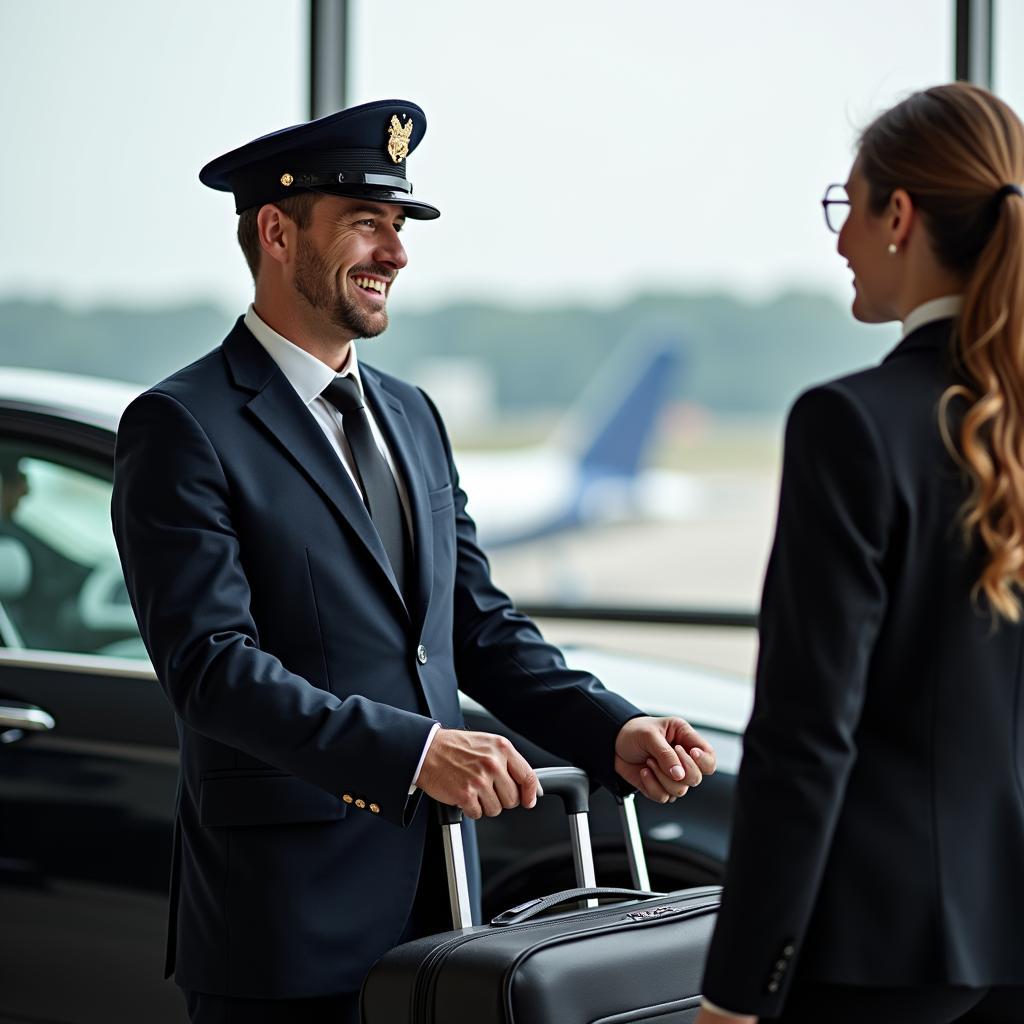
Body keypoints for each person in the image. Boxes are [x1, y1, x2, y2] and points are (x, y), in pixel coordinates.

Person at [110, 98, 716, 1024]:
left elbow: (474, 625)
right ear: (276, 232)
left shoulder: (412, 415)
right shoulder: (184, 424)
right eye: (366, 224)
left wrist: (610, 730)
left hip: (444, 906)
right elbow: (211, 671)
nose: (395, 253)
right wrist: (416, 753)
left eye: (398, 227)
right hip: (284, 921)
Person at [695, 82, 1024, 1024]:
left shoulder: (850, 425)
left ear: (900, 217)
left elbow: (806, 736)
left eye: (847, 206)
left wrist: (735, 988)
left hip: (879, 954)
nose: (838, 241)